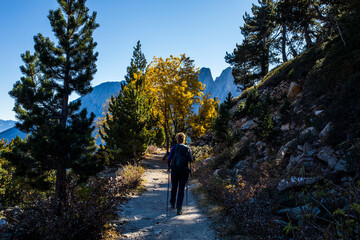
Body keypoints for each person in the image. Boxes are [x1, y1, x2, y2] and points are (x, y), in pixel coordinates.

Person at [167, 132, 192, 215]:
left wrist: (169, 166)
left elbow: (169, 159)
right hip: (184, 171)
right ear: (184, 139)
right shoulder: (188, 148)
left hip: (175, 170)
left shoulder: (174, 148)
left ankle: (172, 203)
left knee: (174, 187)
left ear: (177, 139)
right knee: (181, 189)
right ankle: (179, 208)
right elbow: (191, 160)